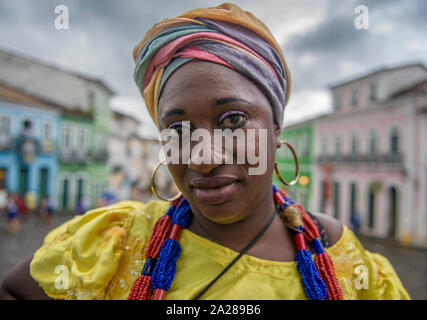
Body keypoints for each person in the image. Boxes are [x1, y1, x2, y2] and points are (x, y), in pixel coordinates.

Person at [0, 3, 409, 300]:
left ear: (276, 129)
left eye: (232, 120)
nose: (202, 158)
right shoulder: (116, 244)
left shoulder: (343, 264)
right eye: (176, 128)